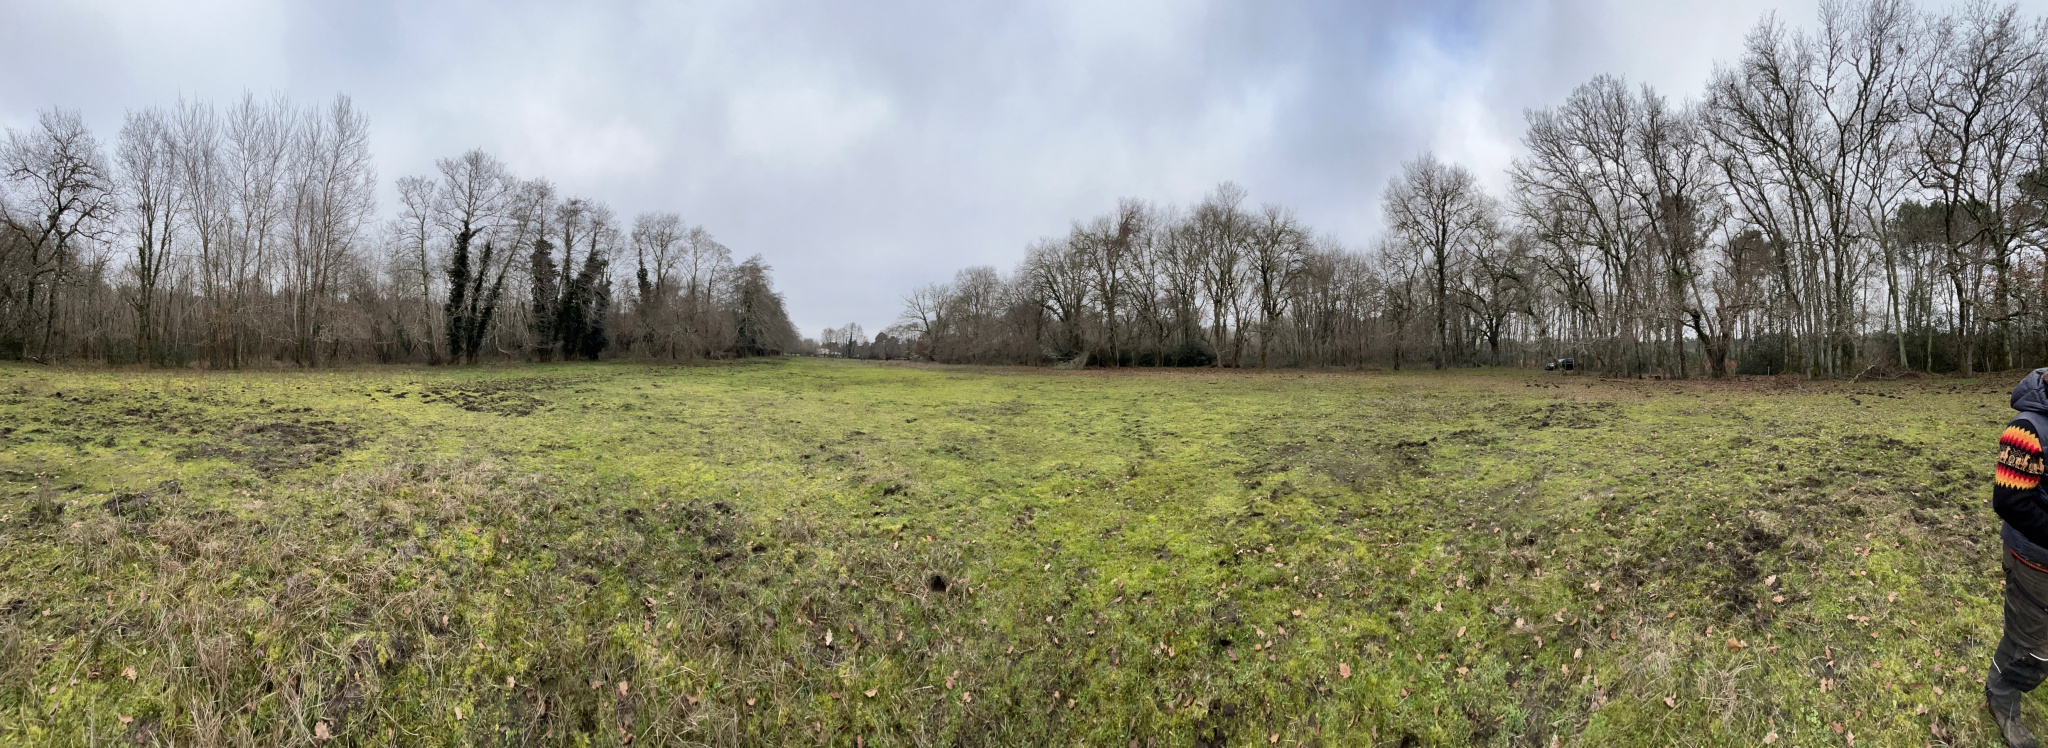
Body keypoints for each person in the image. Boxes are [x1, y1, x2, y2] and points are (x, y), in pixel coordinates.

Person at [1990, 368, 2048, 747]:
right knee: (2031, 644)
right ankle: (2002, 695)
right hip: (2034, 560)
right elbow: (2010, 501)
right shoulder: (2027, 430)